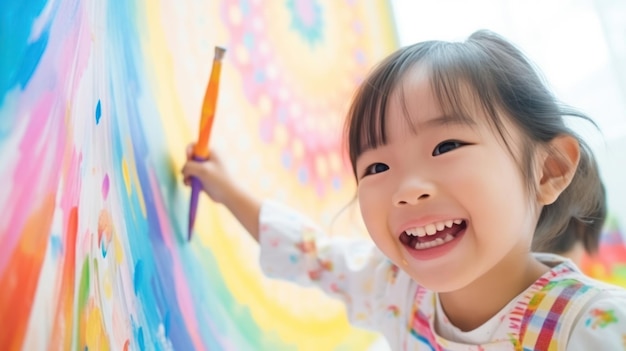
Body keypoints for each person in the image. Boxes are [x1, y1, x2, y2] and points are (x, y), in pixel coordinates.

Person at [182, 30, 626, 349]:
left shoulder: (594, 326)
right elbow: (311, 253)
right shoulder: (394, 289)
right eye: (376, 166)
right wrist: (224, 189)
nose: (407, 190)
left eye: (446, 146)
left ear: (548, 170)